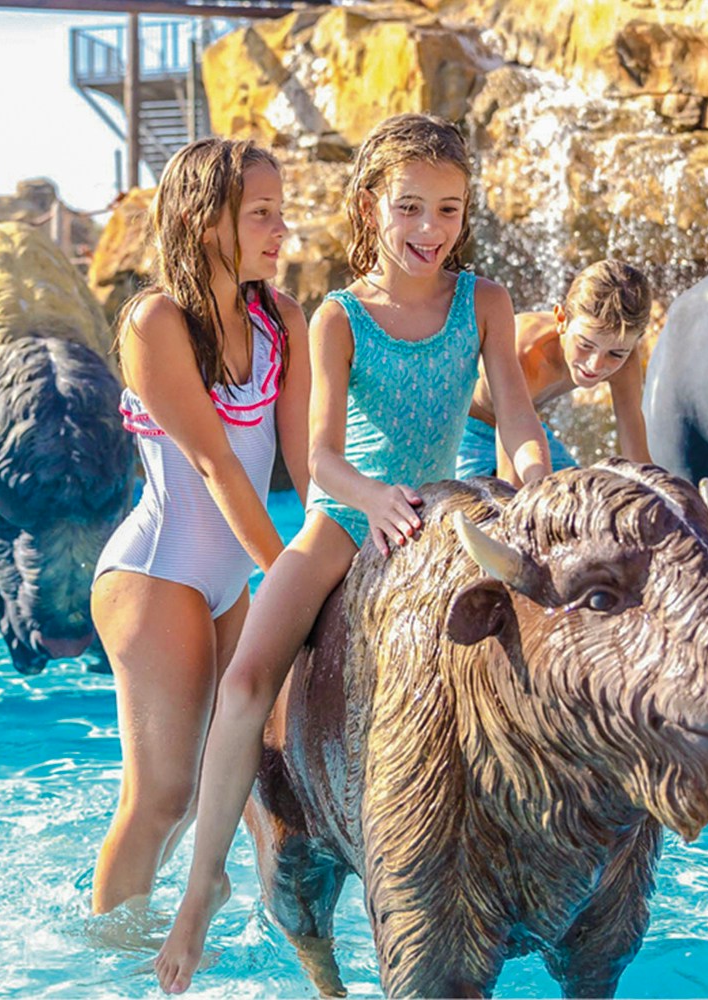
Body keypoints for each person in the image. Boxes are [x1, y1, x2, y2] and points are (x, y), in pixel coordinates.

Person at [153, 112, 551, 993]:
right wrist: (371, 501)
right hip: (347, 517)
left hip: (448, 507)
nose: (430, 231)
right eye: (410, 208)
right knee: (249, 677)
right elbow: (322, 456)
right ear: (372, 206)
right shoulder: (337, 315)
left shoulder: (483, 301)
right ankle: (199, 889)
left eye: (448, 209)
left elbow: (518, 416)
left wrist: (533, 486)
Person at [89, 138, 311, 917]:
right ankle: (107, 964)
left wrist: (338, 563)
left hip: (230, 583)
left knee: (258, 791)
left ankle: (277, 945)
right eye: (260, 214)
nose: (281, 230)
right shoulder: (156, 321)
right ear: (201, 217)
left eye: (281, 212)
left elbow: (307, 463)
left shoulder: (282, 318)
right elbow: (217, 466)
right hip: (157, 575)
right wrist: (296, 586)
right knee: (164, 800)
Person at [456, 259, 654, 484]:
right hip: (464, 426)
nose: (595, 365)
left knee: (580, 497)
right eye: (585, 345)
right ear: (561, 319)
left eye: (615, 354)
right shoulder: (525, 353)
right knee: (498, 504)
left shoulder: (626, 360)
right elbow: (512, 439)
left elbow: (637, 454)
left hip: (527, 426)